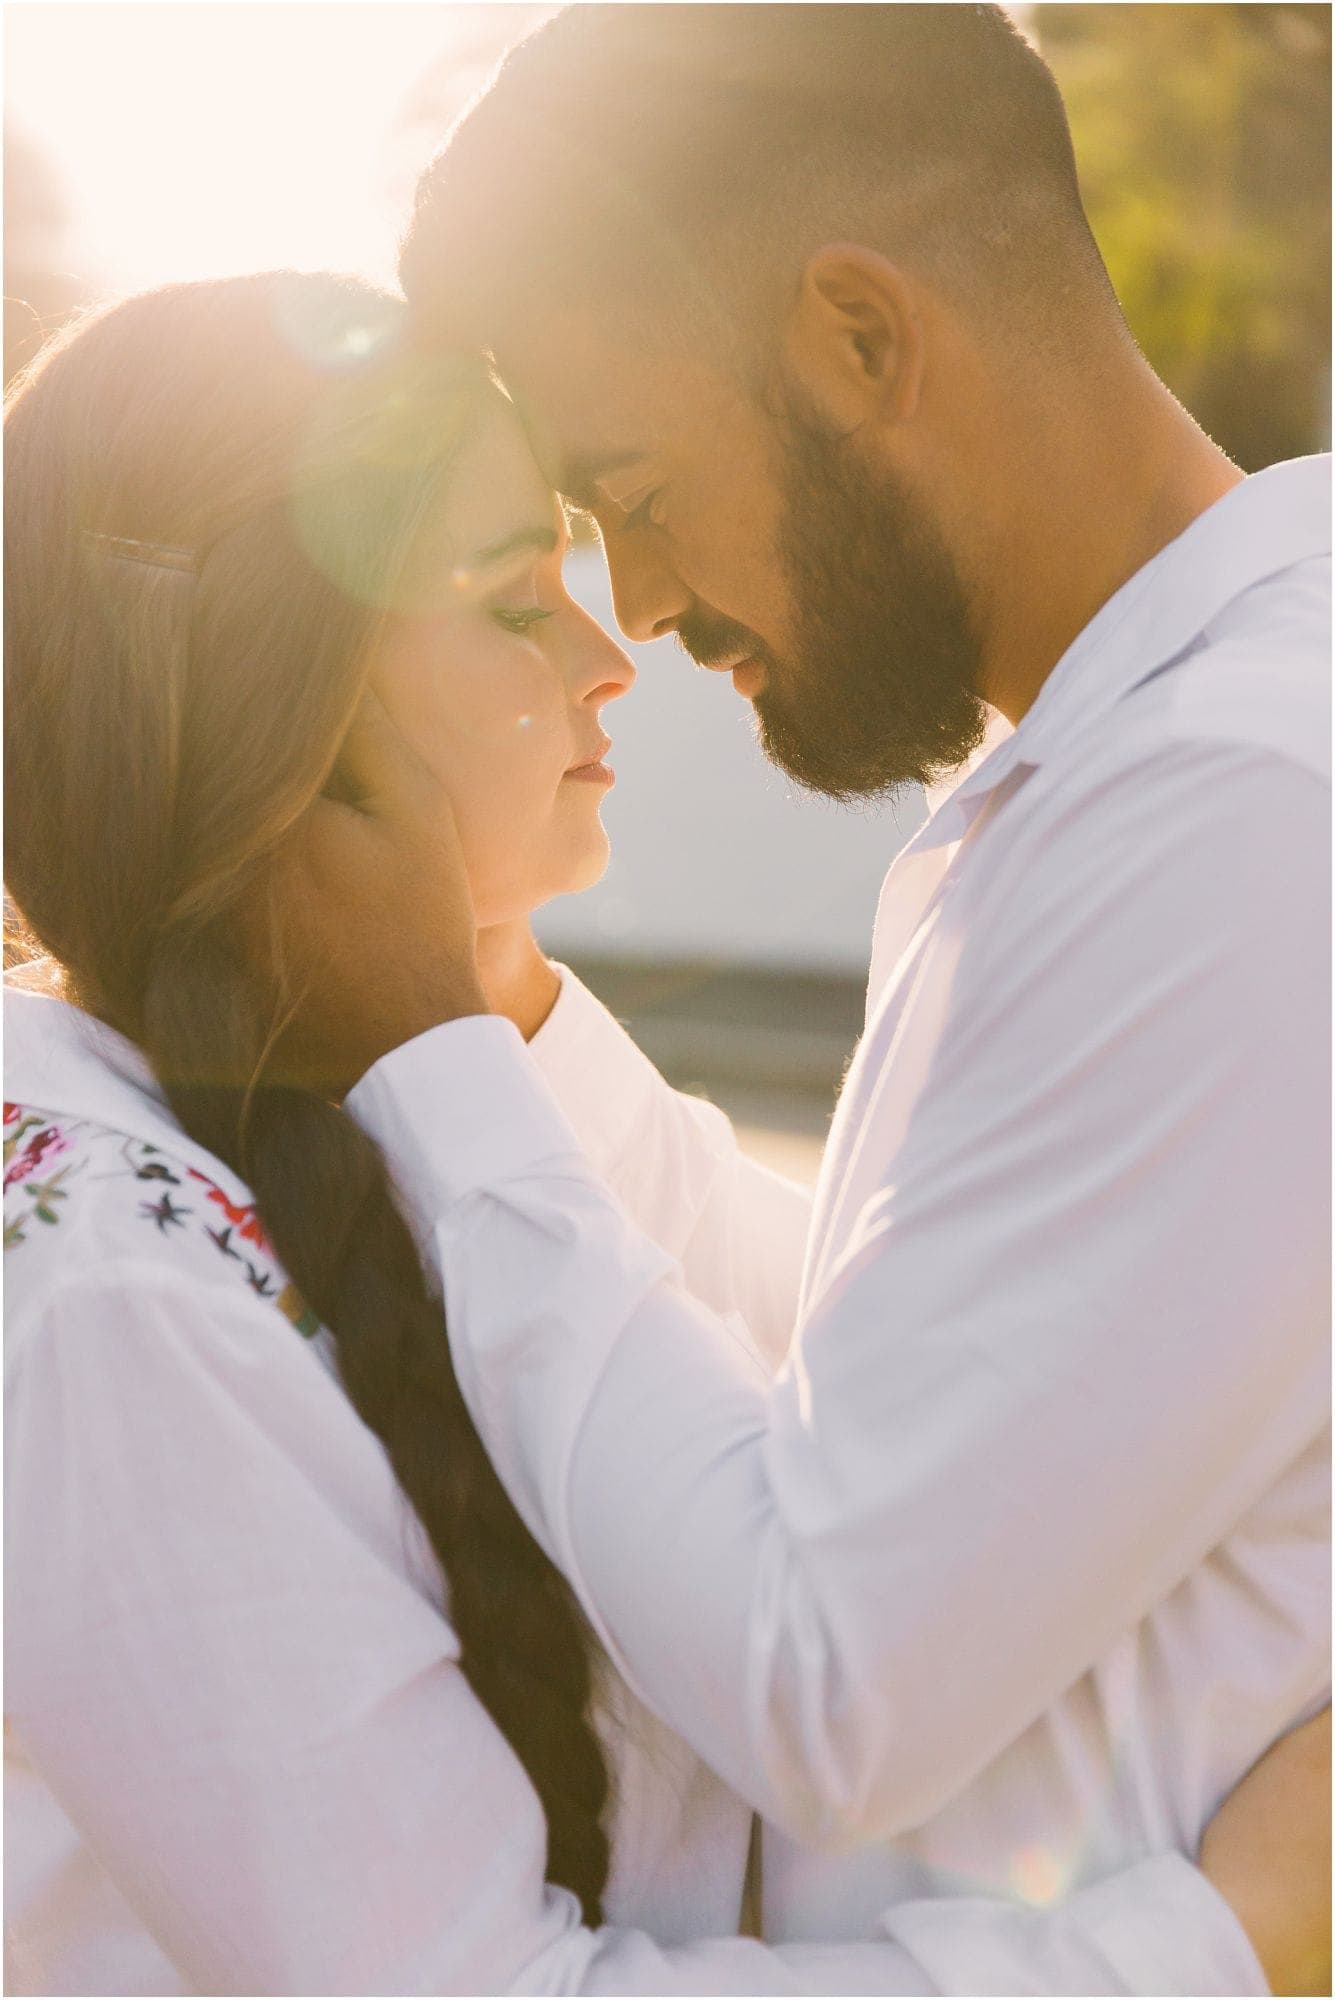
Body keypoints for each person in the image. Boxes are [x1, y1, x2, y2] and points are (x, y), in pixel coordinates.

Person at [7, 270, 1310, 1998]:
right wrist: (1223, 1945)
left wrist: (486, 1017)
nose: (610, 656)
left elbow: (829, 1398)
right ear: (285, 715)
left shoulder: (412, 1088)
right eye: (512, 595)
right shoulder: (103, 1295)